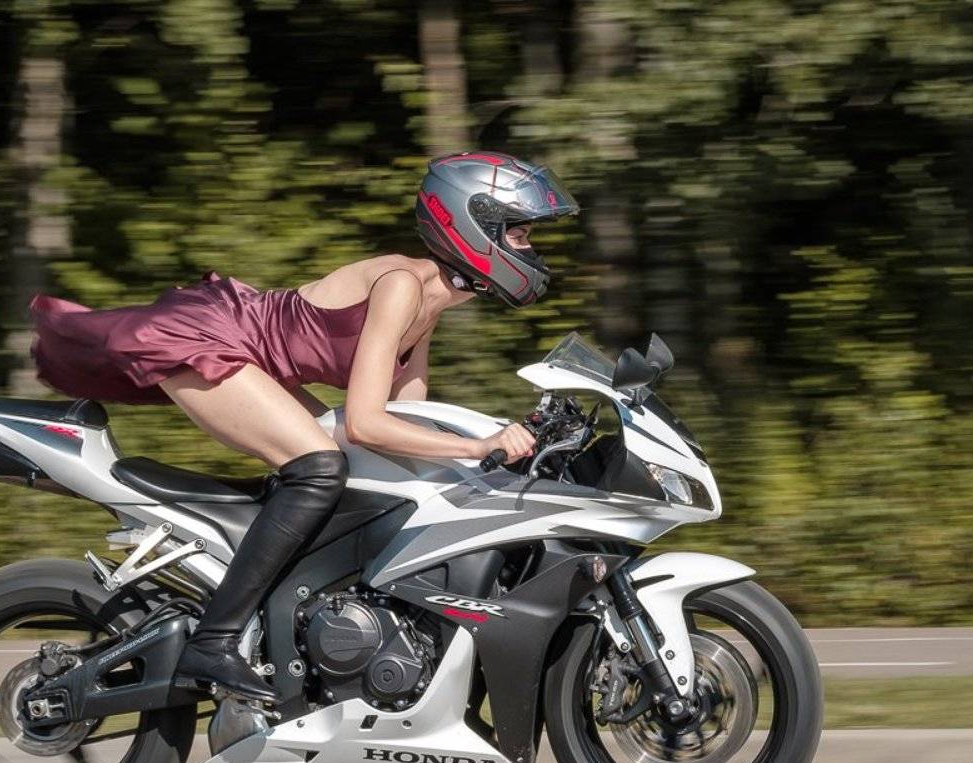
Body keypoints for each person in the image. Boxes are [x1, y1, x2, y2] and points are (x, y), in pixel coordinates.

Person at [28, 152, 579, 701]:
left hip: (254, 360)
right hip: (211, 341)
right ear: (475, 227)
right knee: (319, 467)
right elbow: (366, 424)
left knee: (374, 476)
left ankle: (293, 618)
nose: (529, 249)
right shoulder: (402, 287)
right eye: (520, 234)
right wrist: (480, 445)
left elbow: (408, 415)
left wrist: (502, 446)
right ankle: (213, 642)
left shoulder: (431, 303)